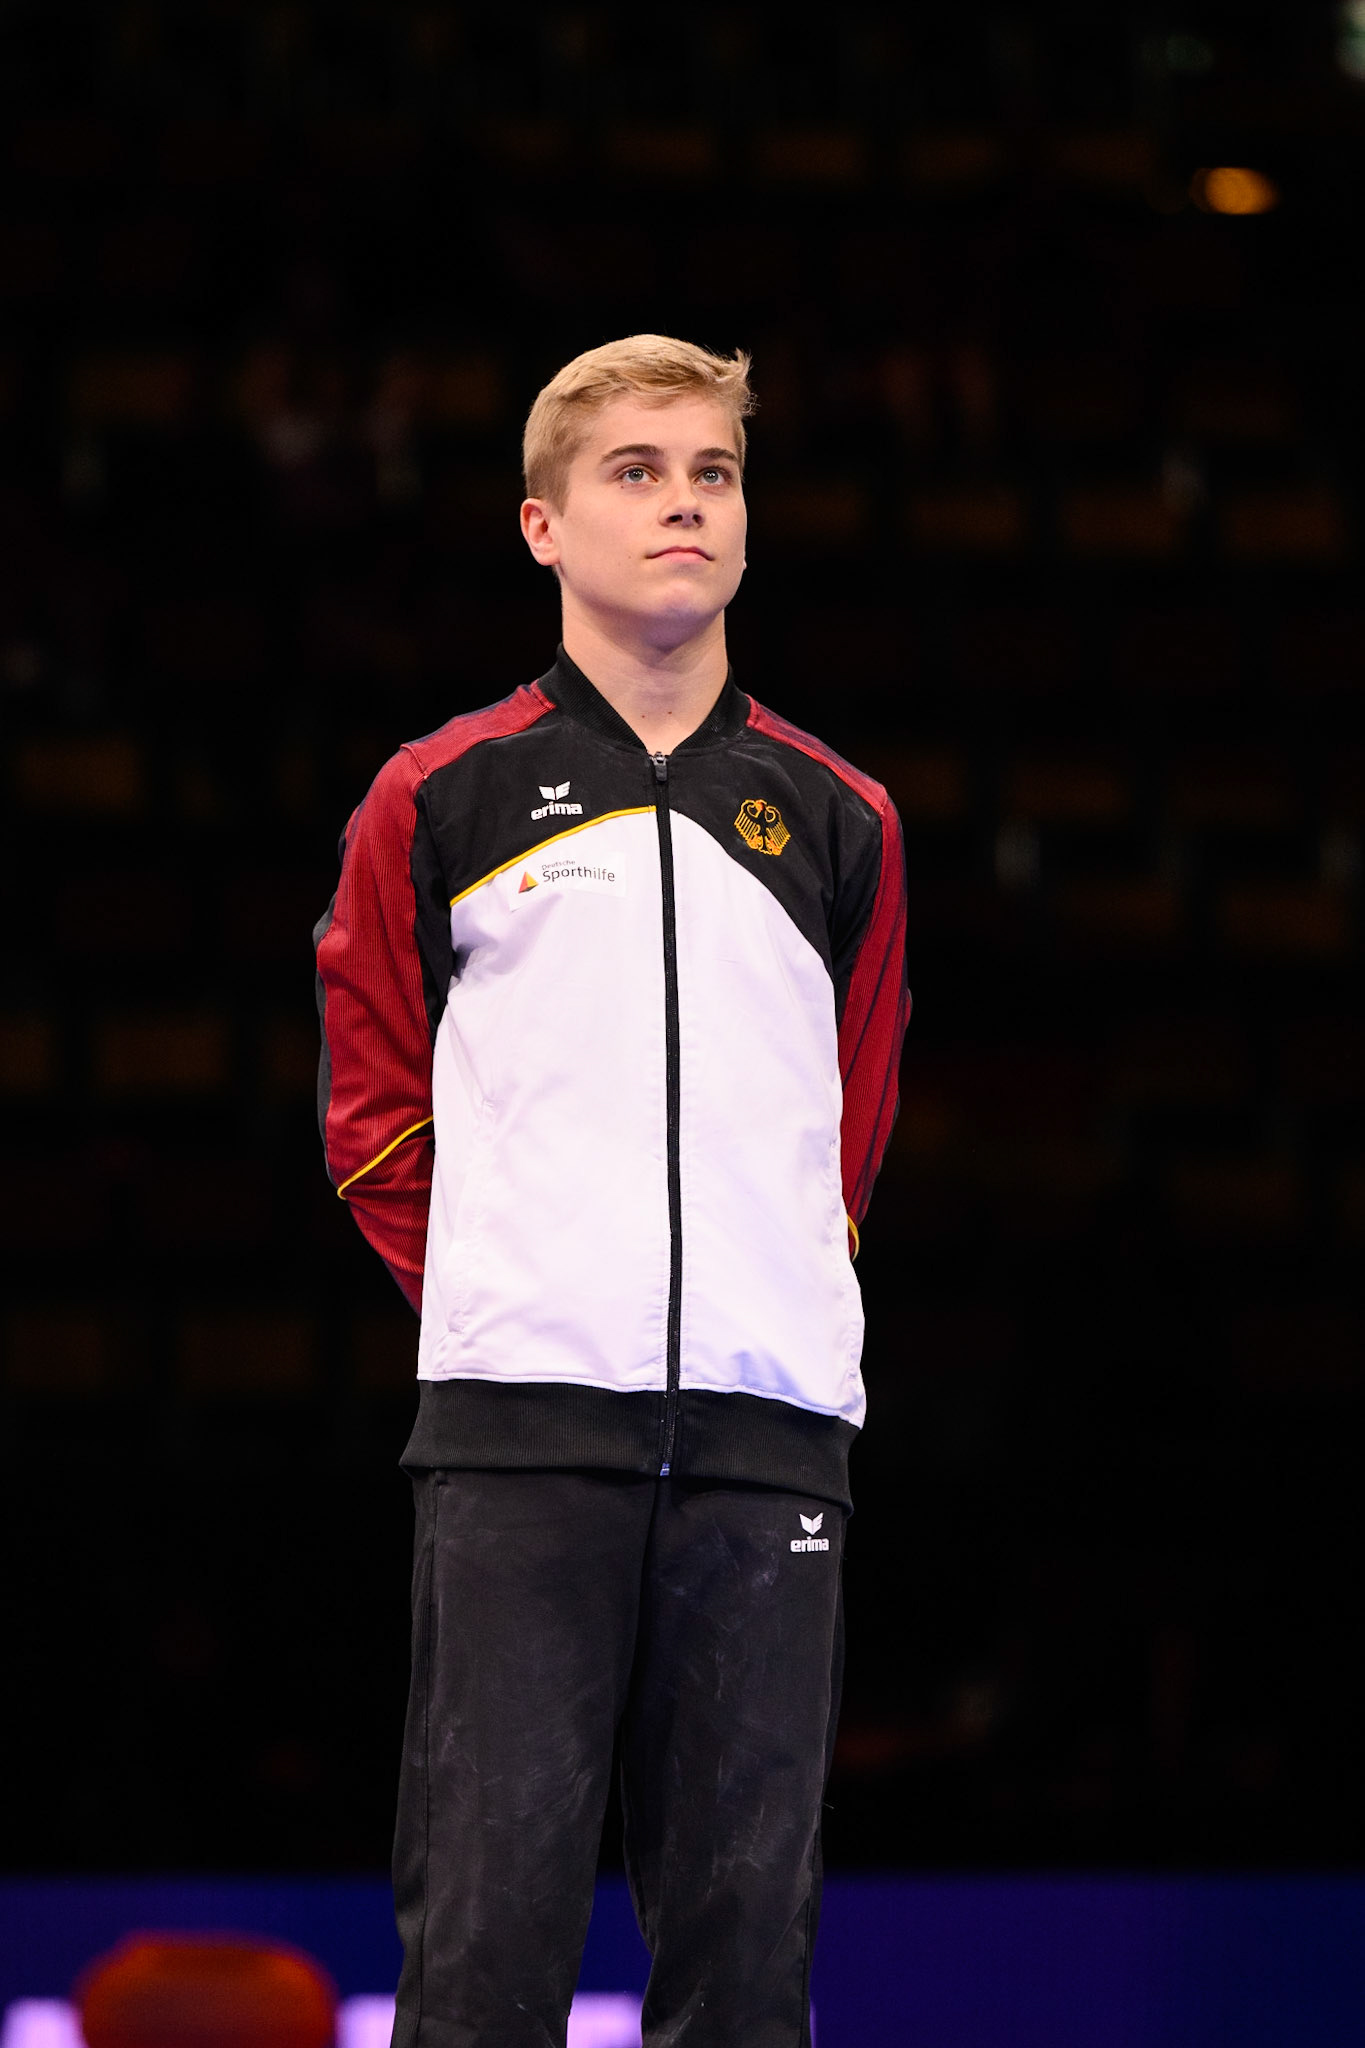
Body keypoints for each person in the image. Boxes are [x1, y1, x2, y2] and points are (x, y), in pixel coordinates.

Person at [314, 335, 910, 2048]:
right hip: (520, 1434)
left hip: (766, 1432)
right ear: (540, 527)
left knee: (744, 1966)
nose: (682, 506)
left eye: (711, 473)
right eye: (635, 474)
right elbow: (370, 1111)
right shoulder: (435, 797)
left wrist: (765, 1294)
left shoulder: (838, 814)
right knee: (485, 1955)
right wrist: (516, 1290)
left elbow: (843, 1130)